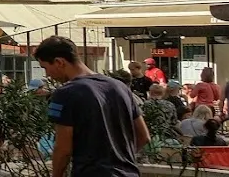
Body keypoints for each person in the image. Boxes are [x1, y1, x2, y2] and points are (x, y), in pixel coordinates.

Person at [35, 35, 149, 177]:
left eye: (45, 67)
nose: (48, 75)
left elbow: (63, 149)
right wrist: (121, 160)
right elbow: (144, 136)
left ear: (59, 62)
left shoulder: (66, 93)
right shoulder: (120, 87)